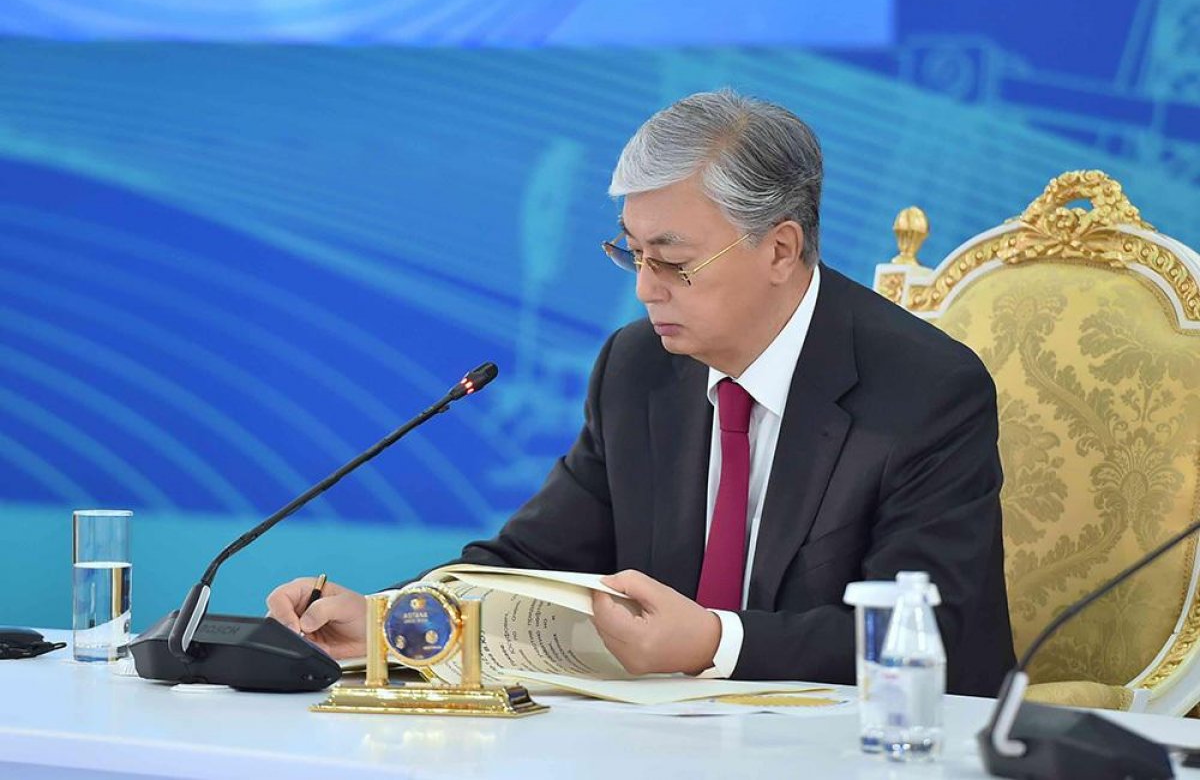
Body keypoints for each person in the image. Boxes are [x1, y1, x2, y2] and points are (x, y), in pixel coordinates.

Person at [267, 89, 1015, 695]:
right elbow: (532, 558)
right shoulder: (638, 368)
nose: (644, 288)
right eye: (632, 252)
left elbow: (928, 632)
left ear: (780, 249)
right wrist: (392, 620)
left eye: (672, 260)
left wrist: (715, 642)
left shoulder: (925, 391)